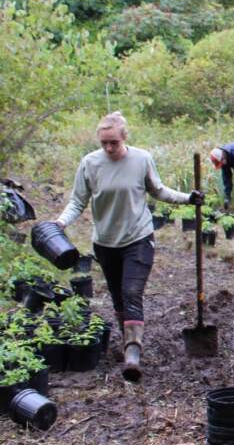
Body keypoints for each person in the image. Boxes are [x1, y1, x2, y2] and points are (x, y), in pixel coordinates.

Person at [55, 112, 204, 382]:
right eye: (104, 143)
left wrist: (187, 198)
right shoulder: (89, 163)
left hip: (138, 237)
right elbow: (77, 201)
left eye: (113, 142)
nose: (109, 148)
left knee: (132, 291)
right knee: (118, 296)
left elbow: (157, 190)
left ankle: (133, 352)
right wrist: (60, 223)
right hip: (105, 243)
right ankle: (128, 338)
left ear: (124, 137)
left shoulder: (141, 159)